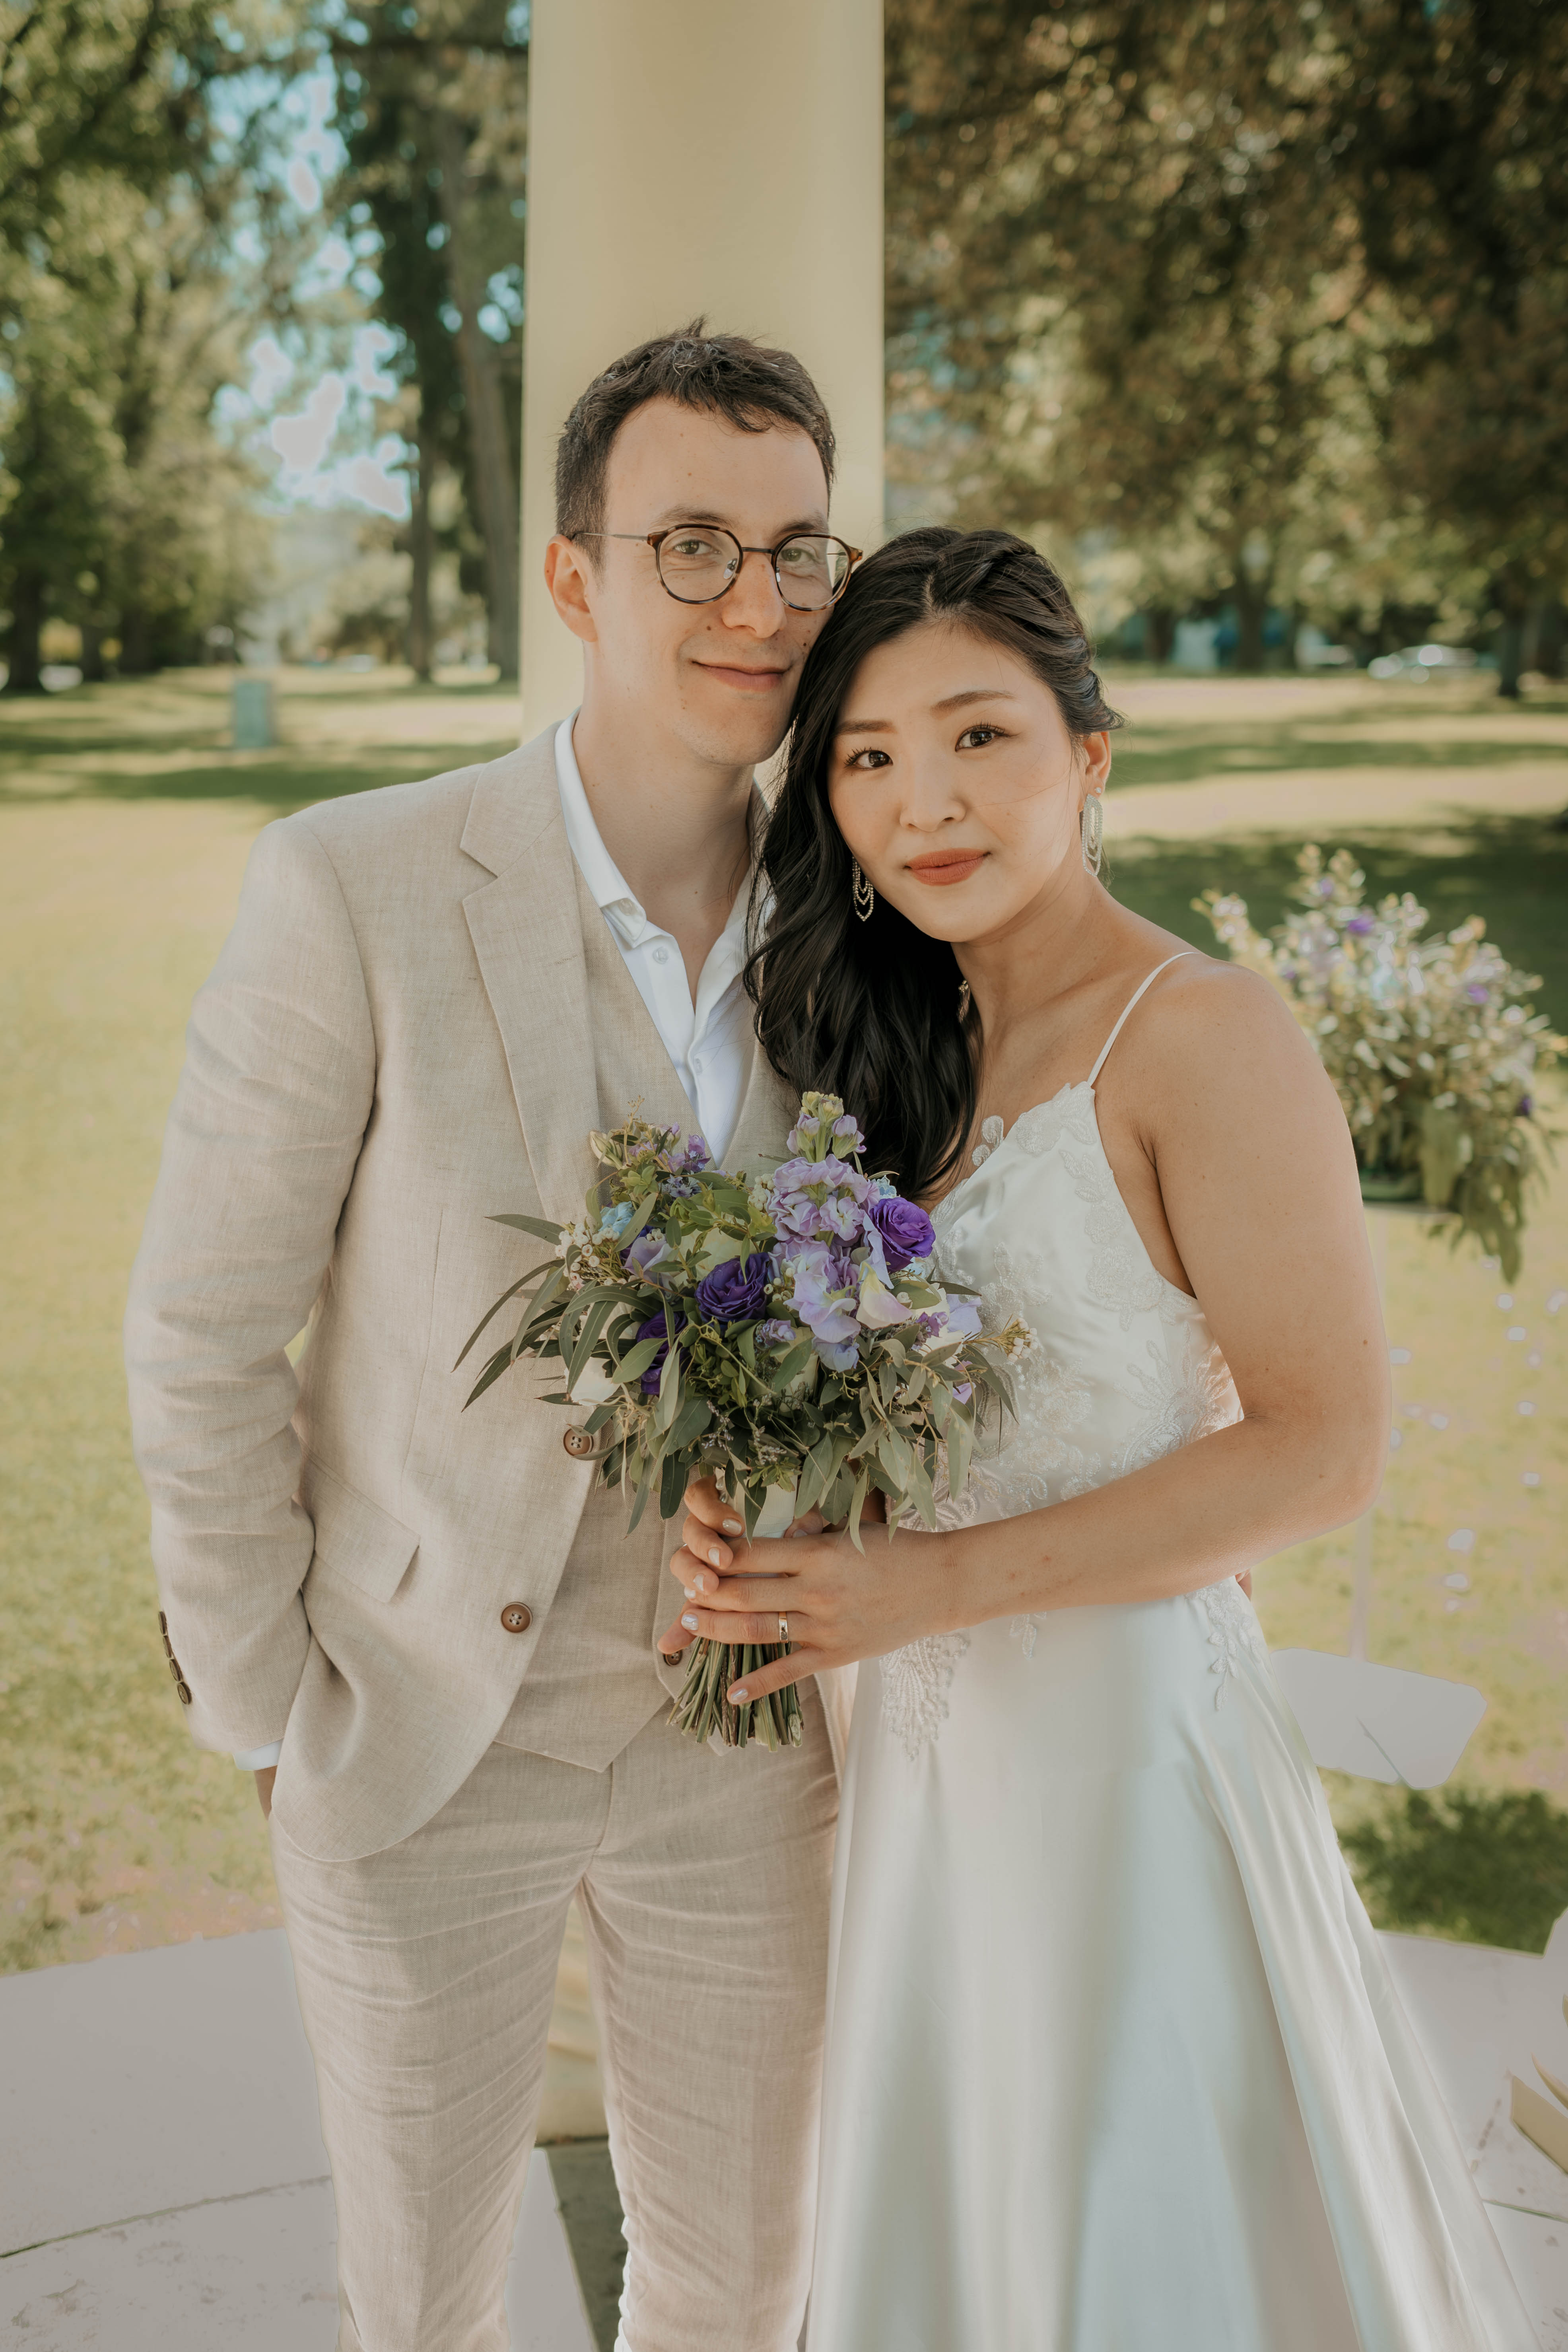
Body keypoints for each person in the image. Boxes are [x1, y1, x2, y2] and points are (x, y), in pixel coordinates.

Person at [668, 529, 1537, 2350]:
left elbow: (1322, 1449)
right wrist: (761, 1515)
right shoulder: (895, 1069)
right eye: (868, 756)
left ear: (1088, 752)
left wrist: (932, 1588)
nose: (924, 803)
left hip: (1126, 1787)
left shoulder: (1200, 1036)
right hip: (929, 1801)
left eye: (977, 736)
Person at [124, 323, 862, 2352]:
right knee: (424, 2304)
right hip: (418, 1728)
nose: (754, 605)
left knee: (742, 2288)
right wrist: (268, 1711)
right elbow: (199, 1332)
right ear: (572, 578)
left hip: (746, 1743)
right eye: (689, 546)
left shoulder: (864, 926)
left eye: (796, 553)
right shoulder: (350, 886)